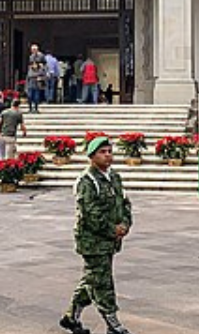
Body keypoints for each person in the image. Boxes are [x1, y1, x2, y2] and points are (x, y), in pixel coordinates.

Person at [59, 136, 133, 334]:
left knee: (91, 279)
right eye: (103, 152)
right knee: (102, 283)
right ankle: (113, 324)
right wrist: (112, 229)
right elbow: (90, 213)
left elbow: (125, 203)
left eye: (109, 151)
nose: (108, 155)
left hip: (109, 241)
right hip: (93, 241)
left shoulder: (114, 177)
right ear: (91, 157)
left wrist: (125, 224)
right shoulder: (87, 181)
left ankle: (70, 317)